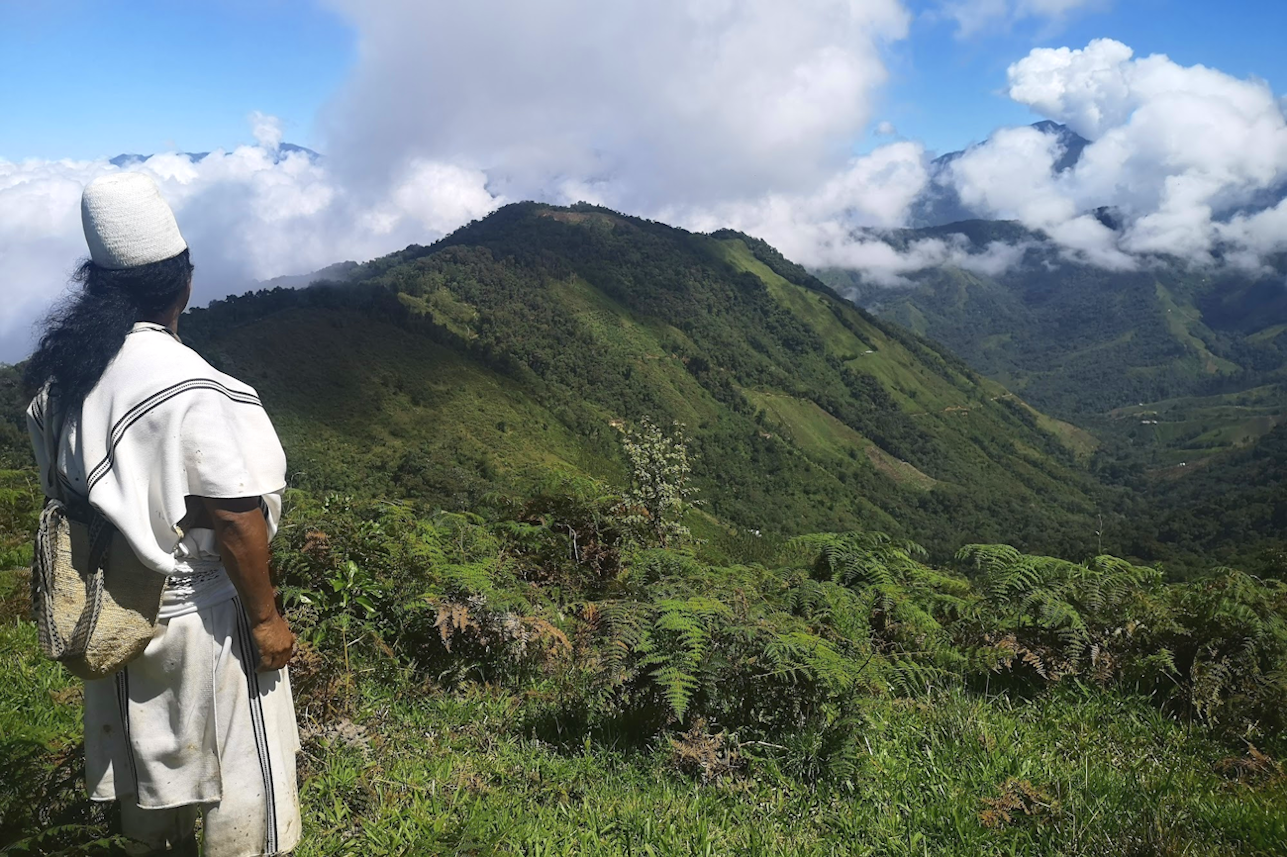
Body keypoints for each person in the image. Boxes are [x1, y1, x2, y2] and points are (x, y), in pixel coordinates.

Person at [24, 172, 301, 856]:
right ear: (185, 282)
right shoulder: (196, 388)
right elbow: (236, 514)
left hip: (113, 615)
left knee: (148, 785)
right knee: (241, 789)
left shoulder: (62, 378)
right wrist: (266, 619)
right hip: (203, 622)